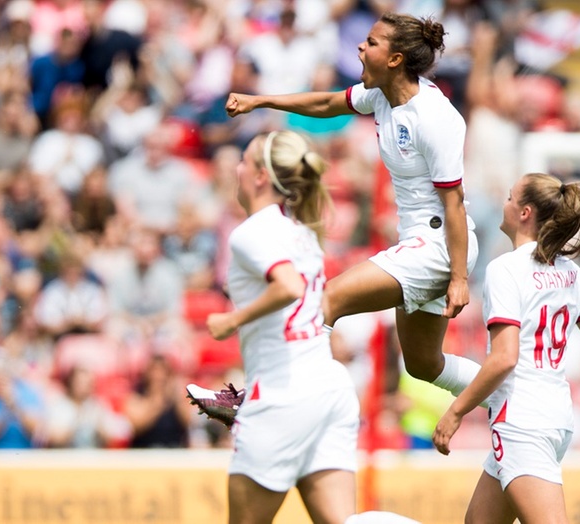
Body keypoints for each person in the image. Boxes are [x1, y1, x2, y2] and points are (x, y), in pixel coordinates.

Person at [195, 12, 482, 424]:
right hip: (421, 245)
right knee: (423, 365)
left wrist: (458, 278)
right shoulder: (383, 95)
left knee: (324, 301)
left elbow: (453, 203)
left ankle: (259, 398)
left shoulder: (435, 118)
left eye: (371, 42)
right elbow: (328, 103)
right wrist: (262, 100)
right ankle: (510, 399)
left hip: (438, 247)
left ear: (396, 59)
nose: (360, 48)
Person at [188, 130, 416, 524]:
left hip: (281, 397)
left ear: (261, 176)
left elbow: (289, 287)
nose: (236, 169)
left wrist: (231, 320)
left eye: (244, 160)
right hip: (329, 389)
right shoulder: (303, 235)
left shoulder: (252, 232)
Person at [431, 173, 580, 524]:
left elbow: (505, 358)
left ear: (524, 212)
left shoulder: (506, 270)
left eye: (509, 198)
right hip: (555, 419)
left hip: (521, 421)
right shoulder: (572, 273)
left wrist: (456, 411)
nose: (503, 204)